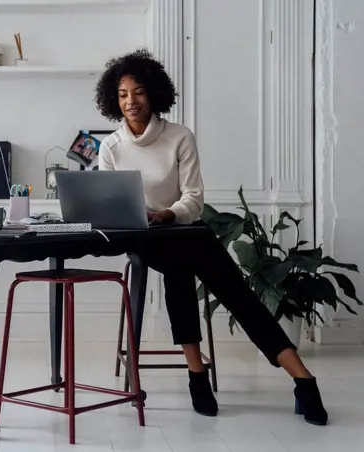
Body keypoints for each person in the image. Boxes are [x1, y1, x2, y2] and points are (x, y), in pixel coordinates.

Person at [93, 48, 328, 426]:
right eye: (122, 95)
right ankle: (221, 375)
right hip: (143, 238)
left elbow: (194, 199)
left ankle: (295, 378)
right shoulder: (111, 147)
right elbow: (107, 204)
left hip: (183, 229)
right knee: (180, 269)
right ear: (112, 100)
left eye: (137, 92)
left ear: (152, 93)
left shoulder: (179, 137)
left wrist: (168, 214)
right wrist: (142, 221)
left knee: (234, 292)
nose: (130, 101)